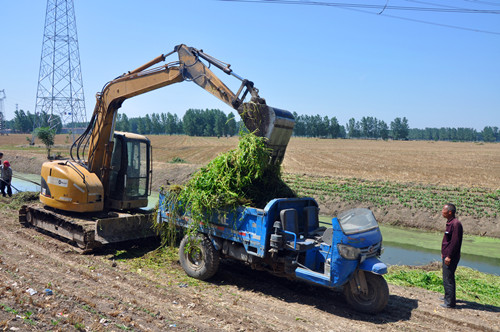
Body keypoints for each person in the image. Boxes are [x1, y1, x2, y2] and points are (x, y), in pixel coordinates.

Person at [440, 203, 463, 308]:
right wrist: (443, 253)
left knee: (448, 278)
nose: (442, 211)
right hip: (446, 255)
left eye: (443, 210)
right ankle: (447, 297)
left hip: (451, 257)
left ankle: (450, 303)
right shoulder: (450, 223)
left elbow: (455, 242)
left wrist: (448, 256)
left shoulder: (456, 224)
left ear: (450, 212)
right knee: (446, 277)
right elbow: (447, 241)